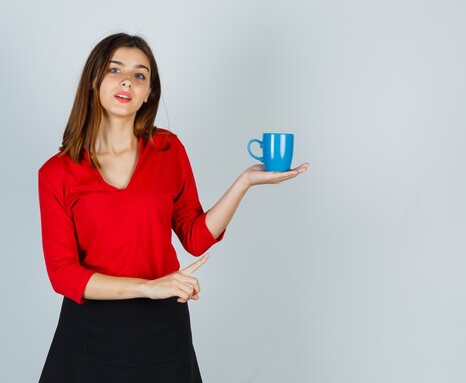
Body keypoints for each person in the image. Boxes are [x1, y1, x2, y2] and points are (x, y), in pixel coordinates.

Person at [37, 32, 309, 383]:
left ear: (149, 92)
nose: (127, 81)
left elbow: (195, 236)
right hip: (90, 331)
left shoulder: (168, 150)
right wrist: (147, 287)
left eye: (140, 75)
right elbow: (63, 274)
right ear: (93, 81)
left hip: (162, 329)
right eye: (114, 70)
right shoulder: (57, 172)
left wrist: (244, 182)